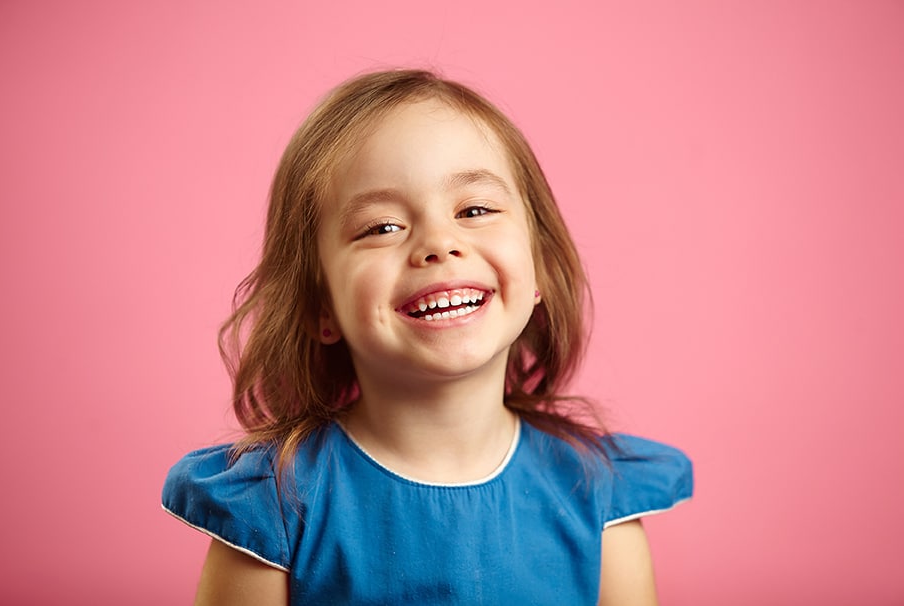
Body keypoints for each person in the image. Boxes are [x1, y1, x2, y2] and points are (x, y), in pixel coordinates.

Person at [162, 69, 693, 606]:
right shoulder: (271, 507)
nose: (439, 243)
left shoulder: (601, 497)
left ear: (539, 271)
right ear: (318, 306)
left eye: (475, 210)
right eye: (382, 227)